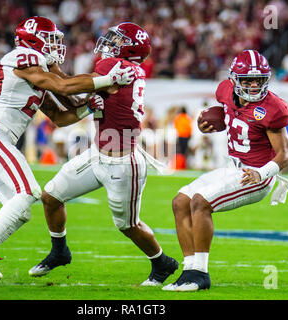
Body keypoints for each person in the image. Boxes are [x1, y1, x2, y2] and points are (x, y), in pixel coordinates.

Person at [0, 16, 135, 288]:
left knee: (19, 209)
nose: (54, 45)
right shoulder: (22, 57)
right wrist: (106, 79)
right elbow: (63, 86)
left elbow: (61, 116)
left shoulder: (38, 70)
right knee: (28, 192)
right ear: (33, 40)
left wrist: (89, 106)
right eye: (50, 38)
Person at [28, 22, 179, 286]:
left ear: (129, 48)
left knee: (128, 225)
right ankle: (59, 250)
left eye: (117, 41)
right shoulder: (125, 69)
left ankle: (162, 262)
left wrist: (50, 67)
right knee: (51, 196)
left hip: (122, 162)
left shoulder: (113, 67)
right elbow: (72, 92)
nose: (109, 44)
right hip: (97, 153)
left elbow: (66, 86)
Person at [163, 49, 288, 292]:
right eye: (247, 80)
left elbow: (286, 155)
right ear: (234, 80)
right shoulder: (224, 91)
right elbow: (227, 114)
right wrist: (209, 123)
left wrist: (262, 174)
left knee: (201, 202)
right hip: (232, 166)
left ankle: (200, 274)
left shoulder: (274, 108)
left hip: (256, 174)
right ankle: (189, 270)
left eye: (259, 80)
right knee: (180, 201)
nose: (254, 86)